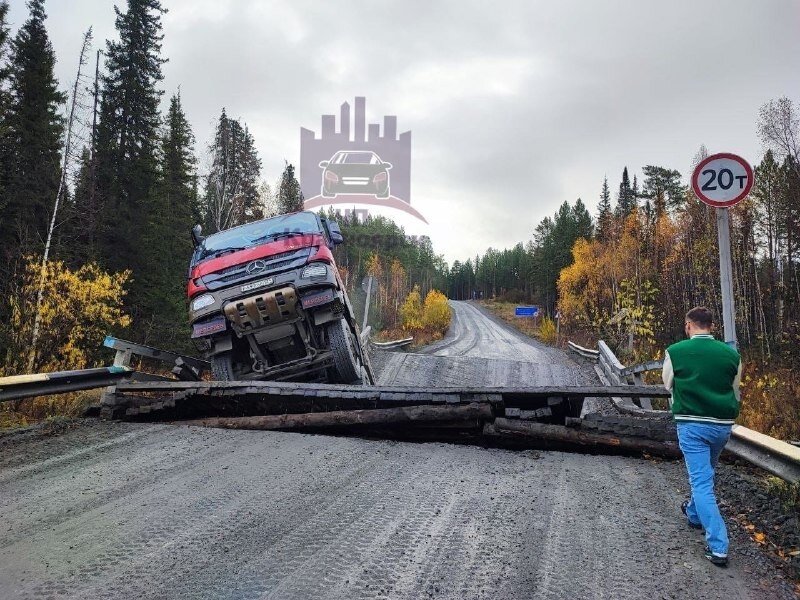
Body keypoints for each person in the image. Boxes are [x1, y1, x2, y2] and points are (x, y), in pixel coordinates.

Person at [662, 306, 742, 568]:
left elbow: (667, 384)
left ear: (688, 325)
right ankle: (694, 514)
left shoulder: (676, 352)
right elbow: (734, 390)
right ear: (711, 326)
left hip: (692, 425)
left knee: (701, 483)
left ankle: (718, 545)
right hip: (721, 426)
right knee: (705, 474)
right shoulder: (732, 355)